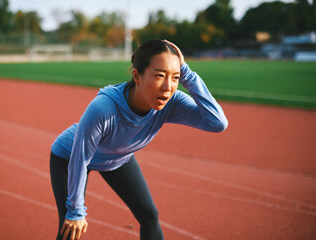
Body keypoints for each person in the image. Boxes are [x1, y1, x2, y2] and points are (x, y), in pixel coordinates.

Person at [50, 39, 228, 240]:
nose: (168, 87)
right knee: (71, 226)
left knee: (149, 216)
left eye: (176, 77)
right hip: (70, 156)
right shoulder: (103, 108)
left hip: (117, 157)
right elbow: (80, 158)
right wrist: (75, 211)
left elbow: (217, 123)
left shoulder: (171, 103)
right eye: (159, 76)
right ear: (137, 76)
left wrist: (187, 74)